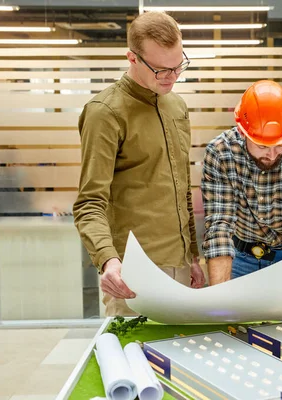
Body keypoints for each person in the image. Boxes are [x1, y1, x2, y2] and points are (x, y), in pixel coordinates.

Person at [73, 11, 205, 317]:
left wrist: (193, 256)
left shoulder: (177, 106)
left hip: (182, 267)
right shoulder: (105, 113)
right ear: (132, 58)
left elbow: (182, 188)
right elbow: (89, 202)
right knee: (132, 360)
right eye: (161, 70)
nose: (172, 77)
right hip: (133, 274)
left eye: (178, 66)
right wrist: (107, 260)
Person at [201, 80, 282, 285]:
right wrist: (219, 297)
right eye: (261, 146)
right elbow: (219, 226)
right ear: (242, 132)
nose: (271, 154)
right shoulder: (220, 153)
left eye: (280, 145)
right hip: (239, 258)